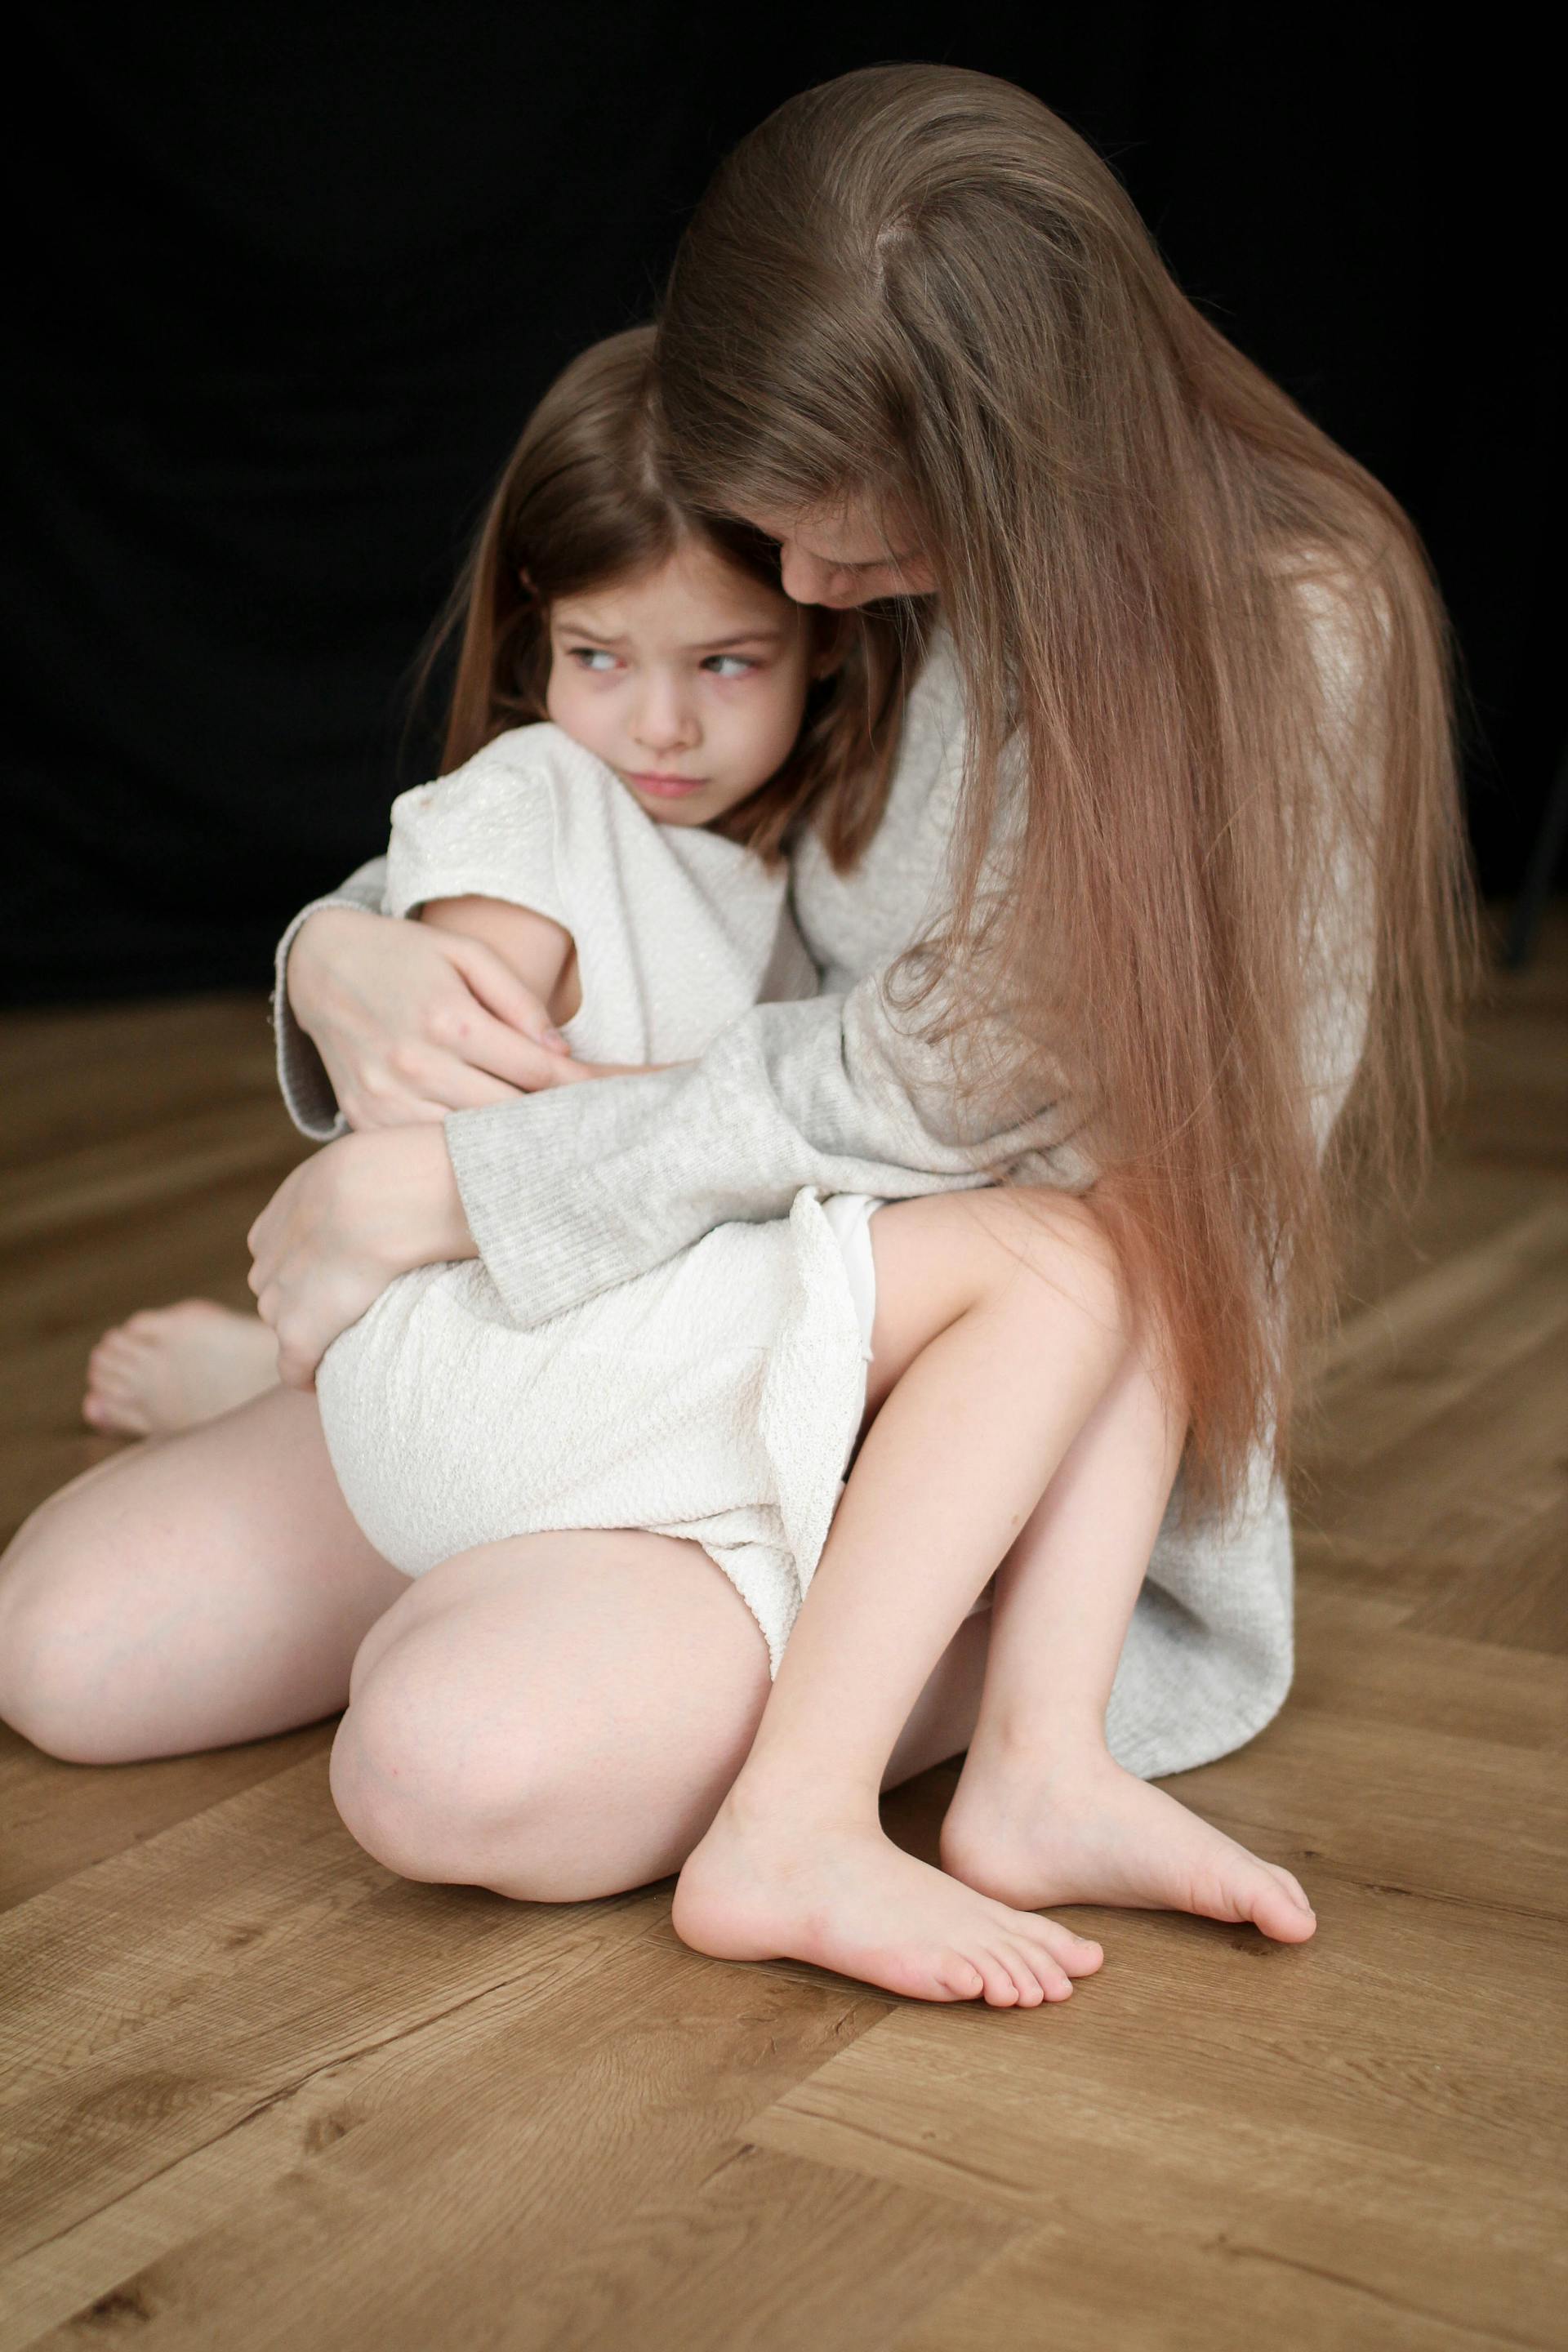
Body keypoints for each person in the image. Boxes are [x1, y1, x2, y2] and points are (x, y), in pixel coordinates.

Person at [0, 67, 1474, 2011]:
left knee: (450, 1760)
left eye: (834, 549)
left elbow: (949, 1081)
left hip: (957, 1404)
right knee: (64, 1649)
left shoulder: (1289, 624)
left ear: (1000, 445)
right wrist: (339, 956)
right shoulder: (881, 552)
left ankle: (685, 1636)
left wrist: (460, 1186)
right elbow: (632, 817)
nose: (797, 589)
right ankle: (441, 1467)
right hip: (679, 1284)